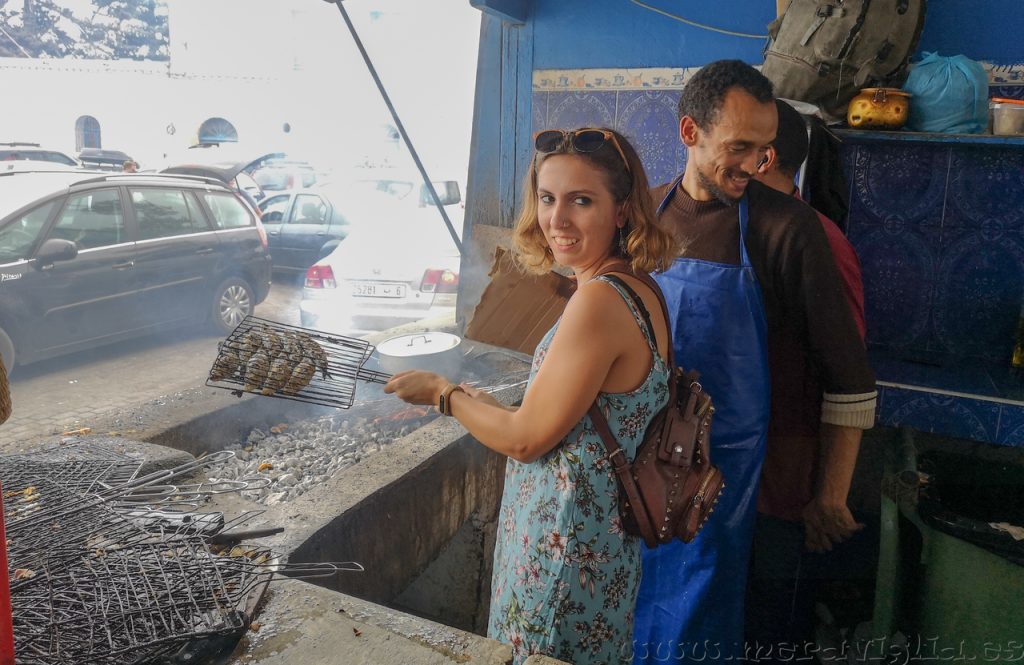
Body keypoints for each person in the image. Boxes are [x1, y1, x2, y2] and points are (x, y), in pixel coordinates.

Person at [386, 127, 678, 664]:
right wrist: (494, 409)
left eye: (581, 201)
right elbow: (578, 423)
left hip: (562, 553)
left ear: (621, 210)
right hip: (599, 549)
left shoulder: (598, 302)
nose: (557, 220)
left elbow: (524, 442)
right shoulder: (639, 288)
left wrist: (443, 394)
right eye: (547, 198)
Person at [632, 60, 876, 663]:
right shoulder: (645, 218)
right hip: (646, 477)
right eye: (738, 148)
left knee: (731, 636)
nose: (754, 166)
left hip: (743, 490)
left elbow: (849, 382)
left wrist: (830, 495)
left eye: (765, 151)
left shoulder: (787, 230)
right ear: (689, 132)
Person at [744, 98, 871, 661]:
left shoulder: (820, 241)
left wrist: (829, 496)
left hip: (788, 483)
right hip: (738, 474)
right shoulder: (739, 227)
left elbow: (849, 376)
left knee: (772, 631)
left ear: (763, 156)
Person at [754, 99, 865, 339]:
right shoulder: (733, 221)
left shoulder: (822, 241)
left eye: (733, 146)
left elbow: (846, 349)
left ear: (764, 159)